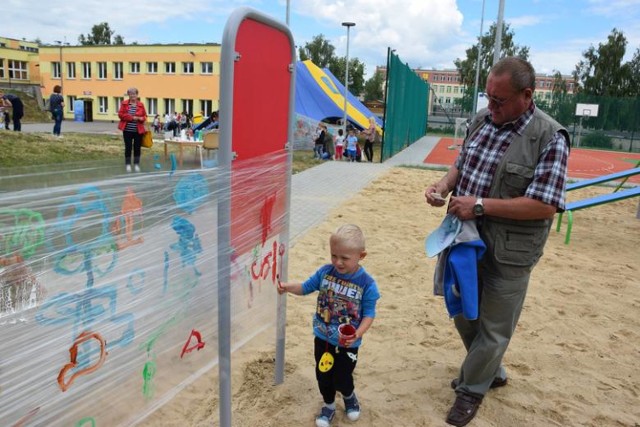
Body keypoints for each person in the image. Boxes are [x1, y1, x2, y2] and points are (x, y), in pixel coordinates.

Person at [424, 57, 570, 427]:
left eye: (498, 101)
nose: (490, 107)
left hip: (510, 250)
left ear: (527, 95)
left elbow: (545, 205)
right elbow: (463, 165)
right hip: (463, 240)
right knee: (461, 310)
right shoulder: (481, 121)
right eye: (488, 97)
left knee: (494, 325)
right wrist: (443, 185)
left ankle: (470, 390)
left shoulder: (550, 137)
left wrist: (479, 205)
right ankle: (491, 370)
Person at [278, 224, 380, 427]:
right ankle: (329, 405)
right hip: (323, 337)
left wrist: (358, 333)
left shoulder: (367, 284)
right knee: (323, 376)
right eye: (334, 255)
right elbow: (306, 287)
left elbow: (369, 314)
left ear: (361, 255)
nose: (338, 262)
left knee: (342, 377)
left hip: (348, 343)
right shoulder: (325, 273)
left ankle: (349, 397)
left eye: (345, 258)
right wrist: (287, 287)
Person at [117, 87, 148, 173]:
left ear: (137, 95)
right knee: (128, 148)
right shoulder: (124, 104)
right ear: (128, 95)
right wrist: (132, 117)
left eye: (134, 93)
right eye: (131, 94)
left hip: (138, 131)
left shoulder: (141, 104)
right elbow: (120, 115)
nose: (133, 95)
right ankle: (128, 164)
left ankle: (136, 164)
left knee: (137, 148)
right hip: (127, 130)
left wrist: (141, 118)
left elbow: (145, 116)